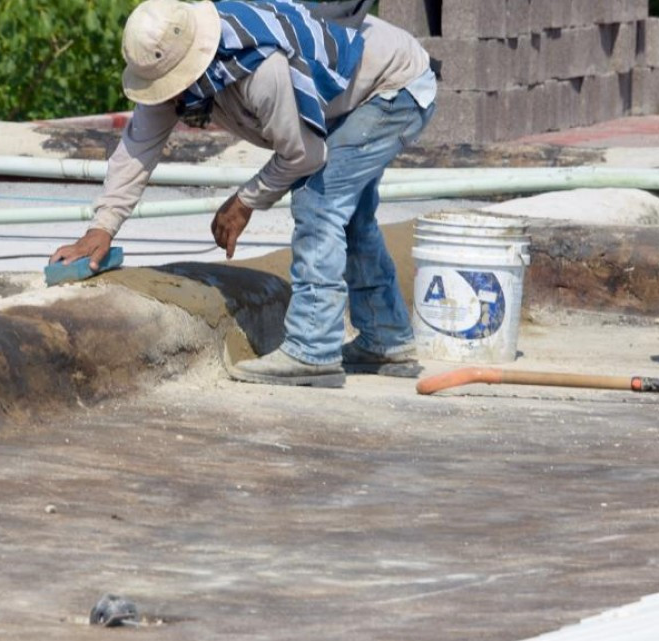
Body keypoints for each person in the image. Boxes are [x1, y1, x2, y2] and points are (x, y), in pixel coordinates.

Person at [50, 0, 436, 388]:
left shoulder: (260, 69)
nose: (164, 98)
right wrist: (101, 228)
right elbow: (137, 149)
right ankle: (386, 341)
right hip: (354, 93)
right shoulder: (172, 68)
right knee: (350, 214)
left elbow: (303, 155)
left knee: (319, 200)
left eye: (169, 87)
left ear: (193, 68)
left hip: (393, 87)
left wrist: (245, 200)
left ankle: (313, 351)